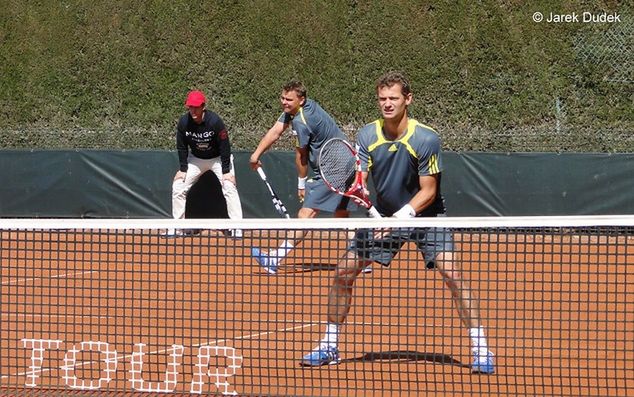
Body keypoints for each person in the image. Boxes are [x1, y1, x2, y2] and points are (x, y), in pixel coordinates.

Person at [299, 71, 495, 374]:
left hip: (426, 215)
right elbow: (359, 177)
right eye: (382, 99)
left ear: (408, 99)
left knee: (453, 274)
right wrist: (374, 210)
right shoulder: (367, 135)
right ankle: (329, 345)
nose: (387, 104)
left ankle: (481, 348)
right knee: (343, 272)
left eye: (393, 98)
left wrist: (400, 218)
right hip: (385, 215)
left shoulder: (426, 138)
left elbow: (429, 191)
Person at [249, 80, 369, 274]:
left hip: (334, 169)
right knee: (342, 214)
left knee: (306, 214)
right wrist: (256, 154)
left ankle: (275, 258)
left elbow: (301, 156)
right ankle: (360, 259)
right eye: (282, 98)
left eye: (289, 99)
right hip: (348, 162)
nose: (284, 103)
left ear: (301, 100)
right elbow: (276, 130)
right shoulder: (302, 108)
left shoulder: (301, 121)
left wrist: (301, 184)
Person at [164, 90, 243, 237]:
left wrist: (226, 171)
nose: (193, 110)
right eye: (190, 107)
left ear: (203, 107)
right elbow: (181, 147)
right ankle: (178, 227)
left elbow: (225, 146)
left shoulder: (215, 122)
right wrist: (183, 169)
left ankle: (236, 228)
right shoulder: (183, 122)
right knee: (178, 186)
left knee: (229, 186)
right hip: (196, 159)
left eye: (196, 107)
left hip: (218, 158)